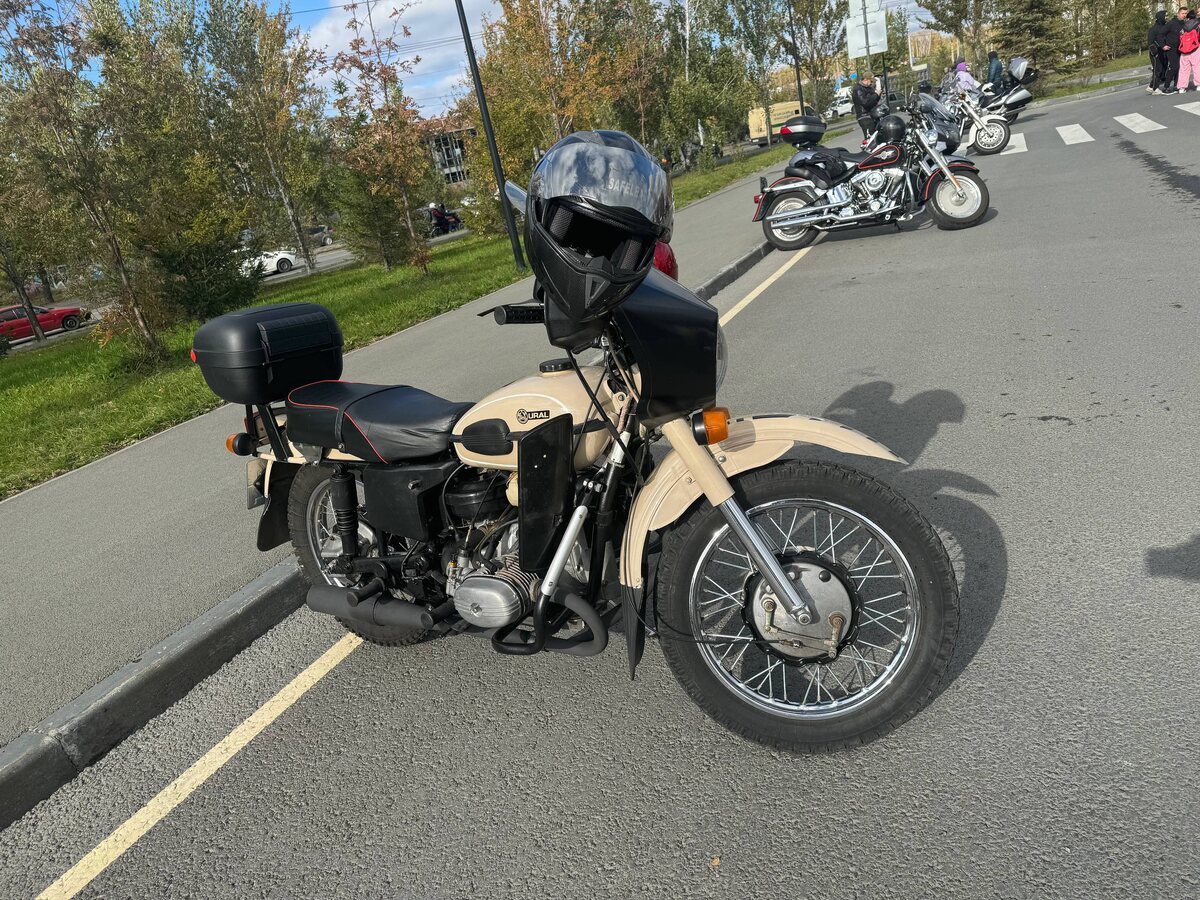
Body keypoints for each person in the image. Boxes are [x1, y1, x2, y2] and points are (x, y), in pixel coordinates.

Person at [1164, 6, 1189, 92]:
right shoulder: (1171, 23)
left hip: (1181, 48)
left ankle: (1176, 85)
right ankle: (1166, 86)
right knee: (1174, 66)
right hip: (1171, 49)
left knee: (1180, 67)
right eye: (1182, 13)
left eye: (1185, 13)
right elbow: (1161, 34)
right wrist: (1163, 45)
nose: (1184, 15)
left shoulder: (1184, 24)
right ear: (1178, 13)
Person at [852, 72, 882, 140]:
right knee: (870, 138)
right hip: (864, 116)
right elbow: (865, 102)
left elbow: (874, 100)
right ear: (866, 79)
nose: (872, 83)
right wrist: (876, 94)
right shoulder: (858, 89)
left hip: (872, 115)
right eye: (871, 81)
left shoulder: (869, 88)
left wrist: (878, 94)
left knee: (876, 136)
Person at [1179, 9, 1200, 90]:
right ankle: (1198, 85)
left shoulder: (1184, 26)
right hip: (1195, 47)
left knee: (1183, 69)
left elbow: (1180, 36)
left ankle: (1182, 87)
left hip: (1184, 49)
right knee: (1197, 67)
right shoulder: (1198, 24)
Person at [1150, 10, 1170, 93]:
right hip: (1156, 52)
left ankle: (1151, 86)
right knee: (1158, 70)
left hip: (1164, 51)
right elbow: (1151, 42)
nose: (1166, 18)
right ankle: (1155, 88)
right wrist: (1155, 52)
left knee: (1164, 68)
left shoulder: (1165, 27)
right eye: (1165, 16)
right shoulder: (1153, 29)